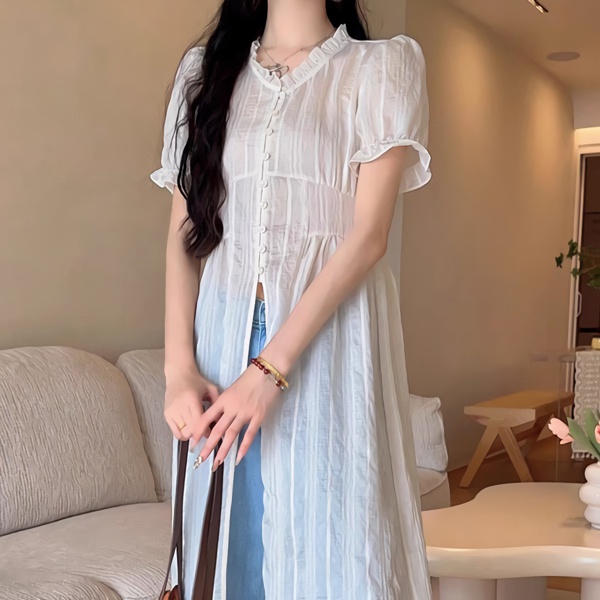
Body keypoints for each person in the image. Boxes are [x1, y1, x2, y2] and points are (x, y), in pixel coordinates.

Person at [150, 0, 432, 598]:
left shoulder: (381, 67)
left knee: (333, 545)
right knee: (230, 556)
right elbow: (184, 234)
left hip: (327, 345)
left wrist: (268, 370)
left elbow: (368, 238)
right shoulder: (205, 72)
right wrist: (178, 369)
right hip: (221, 346)